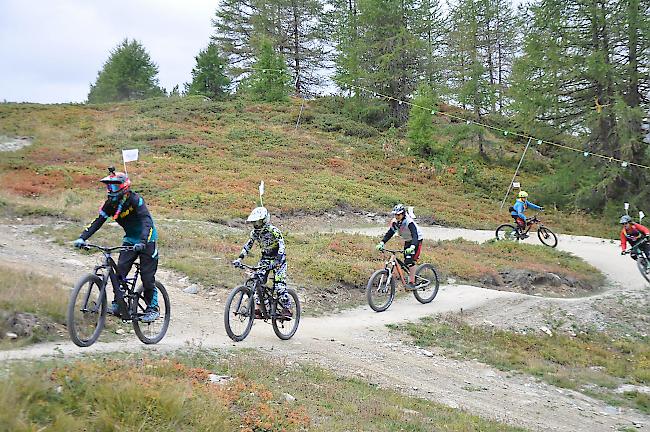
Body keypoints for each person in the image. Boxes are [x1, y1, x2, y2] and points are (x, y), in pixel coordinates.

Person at [73, 167, 160, 323]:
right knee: (119, 273)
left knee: (147, 278)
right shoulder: (110, 204)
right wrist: (82, 237)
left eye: (114, 186)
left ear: (124, 187)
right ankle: (118, 305)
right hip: (130, 240)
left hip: (147, 240)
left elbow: (147, 221)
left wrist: (142, 241)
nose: (111, 189)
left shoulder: (135, 200)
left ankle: (152, 308)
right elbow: (98, 221)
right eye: (109, 186)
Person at [232, 207, 291, 318]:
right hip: (265, 258)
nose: (255, 224)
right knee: (257, 282)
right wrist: (239, 259)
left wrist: (278, 260)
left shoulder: (273, 230)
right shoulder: (254, 233)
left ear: (264, 220)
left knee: (279, 286)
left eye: (257, 221)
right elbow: (248, 245)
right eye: (254, 222)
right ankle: (259, 309)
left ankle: (287, 308)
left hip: (279, 260)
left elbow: (282, 245)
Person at [375, 204, 423, 290]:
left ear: (403, 214)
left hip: (416, 240)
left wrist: (412, 247)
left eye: (399, 214)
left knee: (410, 261)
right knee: (406, 260)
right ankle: (409, 274)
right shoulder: (395, 222)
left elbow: (415, 235)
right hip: (408, 240)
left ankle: (412, 282)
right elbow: (390, 233)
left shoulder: (409, 222)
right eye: (395, 214)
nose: (397, 216)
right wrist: (382, 242)